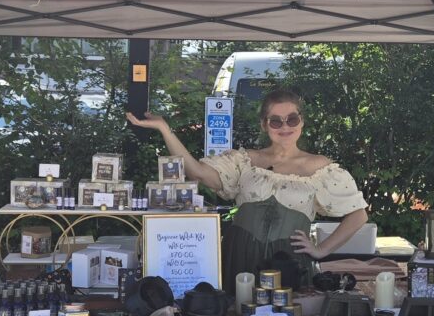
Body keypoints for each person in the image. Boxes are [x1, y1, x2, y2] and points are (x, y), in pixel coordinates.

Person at [126, 88, 368, 289]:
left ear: (301, 121)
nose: (285, 126)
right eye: (276, 121)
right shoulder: (244, 161)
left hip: (290, 261)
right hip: (239, 257)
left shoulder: (320, 167)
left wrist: (320, 249)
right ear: (264, 125)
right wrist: (165, 129)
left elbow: (358, 214)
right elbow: (197, 172)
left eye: (292, 119)